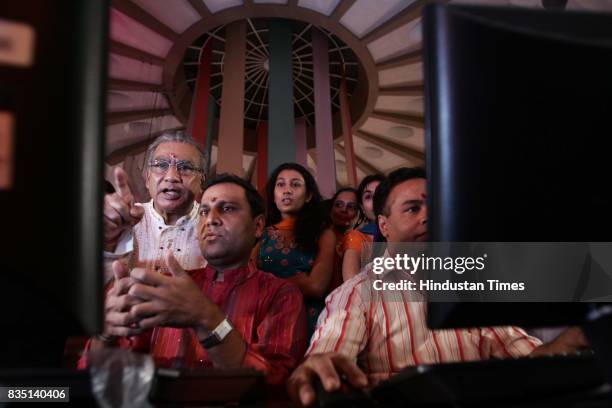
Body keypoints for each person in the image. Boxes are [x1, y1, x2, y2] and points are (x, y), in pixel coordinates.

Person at [288, 167, 588, 405]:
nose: (429, 216)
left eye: (436, 206)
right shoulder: (356, 293)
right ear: (383, 225)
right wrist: (319, 368)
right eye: (412, 208)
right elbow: (327, 358)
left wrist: (565, 345)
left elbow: (526, 360)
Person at [82, 174, 307, 385]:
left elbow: (273, 383)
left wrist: (207, 319)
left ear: (258, 226)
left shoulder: (281, 295)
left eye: (227, 208)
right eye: (204, 211)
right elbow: (100, 376)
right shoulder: (166, 287)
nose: (210, 220)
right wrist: (105, 334)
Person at [103, 131, 207, 281]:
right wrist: (108, 240)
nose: (171, 177)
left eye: (185, 168)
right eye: (161, 165)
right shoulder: (125, 218)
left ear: (202, 181)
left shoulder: (212, 227)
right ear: (147, 178)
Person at [254, 163, 336, 338]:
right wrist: (299, 280)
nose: (287, 190)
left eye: (296, 184)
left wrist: (269, 282)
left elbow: (315, 287)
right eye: (280, 184)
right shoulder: (260, 234)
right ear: (274, 196)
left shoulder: (323, 233)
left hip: (310, 322)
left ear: (308, 196)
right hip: (266, 321)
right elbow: (250, 283)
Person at [341, 175, 385, 281]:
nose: (376, 200)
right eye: (368, 197)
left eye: (381, 194)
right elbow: (350, 283)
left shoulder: (408, 231)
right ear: (362, 208)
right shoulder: (357, 237)